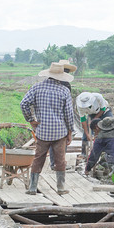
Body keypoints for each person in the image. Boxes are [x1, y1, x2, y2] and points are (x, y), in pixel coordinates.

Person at [20, 62, 74, 195]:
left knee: (38, 158)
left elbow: (24, 103)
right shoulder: (64, 90)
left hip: (42, 131)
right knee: (60, 159)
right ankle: (60, 188)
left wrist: (31, 120)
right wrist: (70, 131)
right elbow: (69, 114)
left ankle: (32, 187)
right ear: (61, 76)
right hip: (59, 132)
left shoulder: (37, 87)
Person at [48, 60, 77, 170]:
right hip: (61, 119)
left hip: (49, 117)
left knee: (51, 142)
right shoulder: (65, 85)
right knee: (61, 143)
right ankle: (60, 164)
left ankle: (53, 163)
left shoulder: (49, 83)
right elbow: (68, 107)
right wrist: (70, 128)